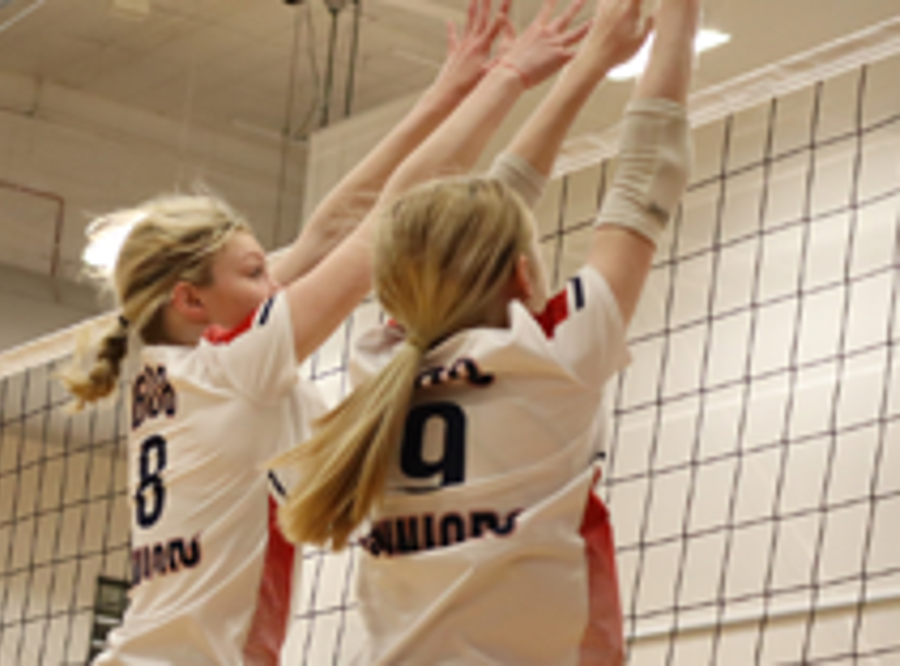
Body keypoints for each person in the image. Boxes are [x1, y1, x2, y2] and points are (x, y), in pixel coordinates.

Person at [61, 0, 591, 663]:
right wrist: (509, 77)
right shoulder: (237, 367)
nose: (275, 283)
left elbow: (330, 228)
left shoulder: (178, 369)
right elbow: (390, 216)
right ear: (192, 300)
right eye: (255, 272)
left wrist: (447, 91)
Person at [272, 0, 699, 662]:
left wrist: (589, 66)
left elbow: (462, 235)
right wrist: (604, 56)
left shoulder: (382, 363)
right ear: (523, 275)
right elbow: (645, 171)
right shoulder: (551, 356)